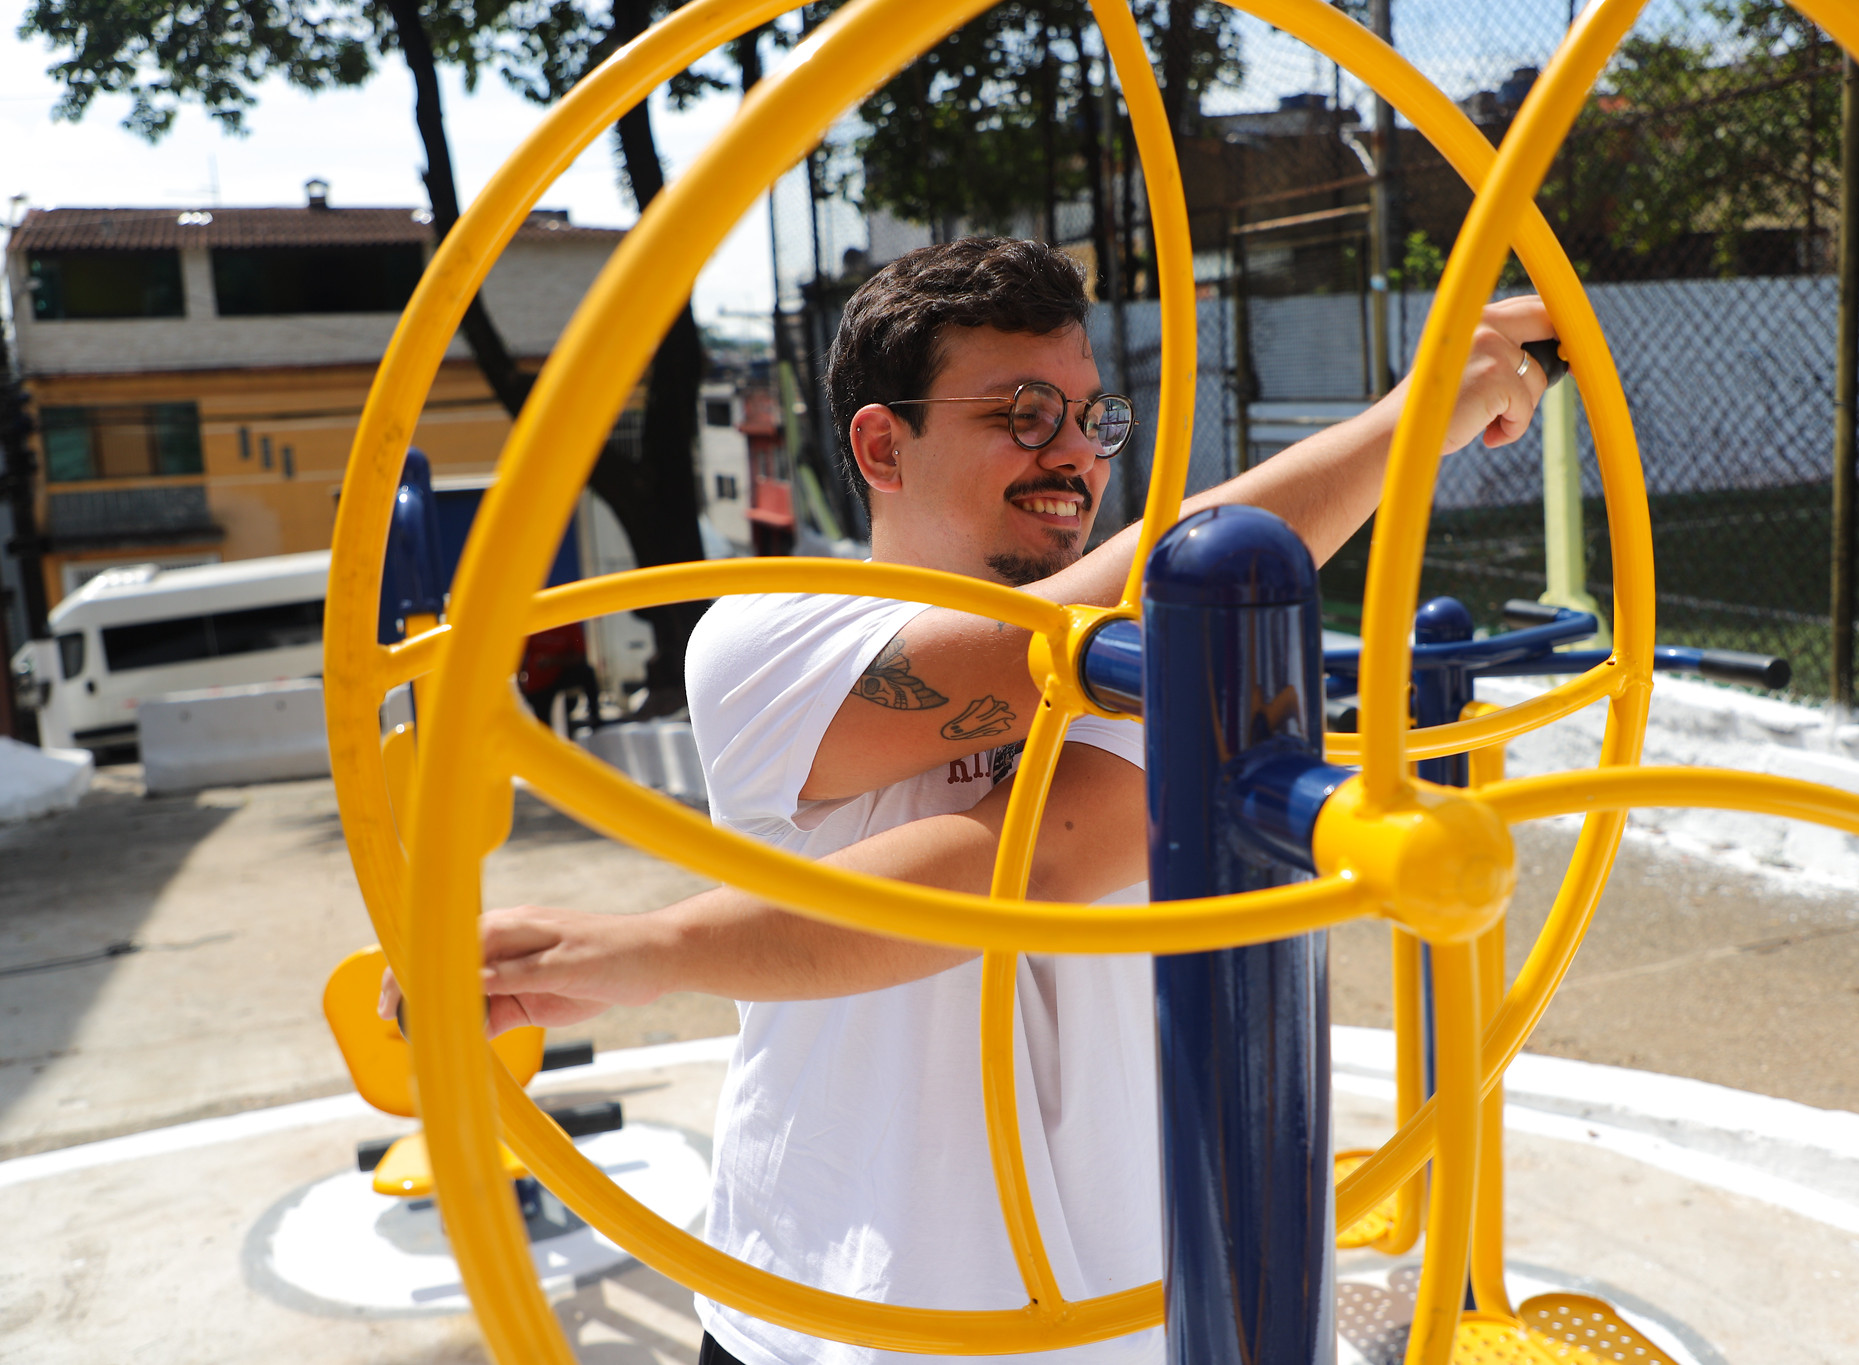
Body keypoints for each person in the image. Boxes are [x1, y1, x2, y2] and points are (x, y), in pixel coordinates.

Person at [388, 237, 1554, 1364]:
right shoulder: (768, 632)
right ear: (881, 447)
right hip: (834, 1309)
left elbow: (1022, 862)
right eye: (1019, 415)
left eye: (1091, 417)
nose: (1075, 456)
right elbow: (1009, 735)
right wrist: (1416, 419)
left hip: (1110, 1316)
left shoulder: (1140, 658)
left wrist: (665, 945)